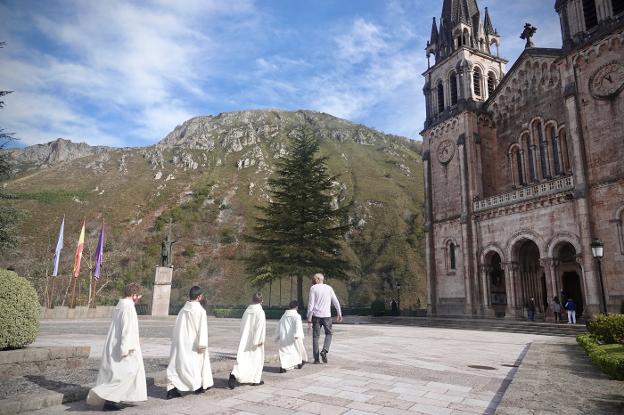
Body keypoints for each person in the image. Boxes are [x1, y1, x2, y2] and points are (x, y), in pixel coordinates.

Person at [86, 283, 147, 412]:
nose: (139, 298)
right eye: (138, 296)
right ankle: (105, 397)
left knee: (118, 374)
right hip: (125, 346)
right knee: (128, 372)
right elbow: (127, 329)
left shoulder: (121, 305)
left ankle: (115, 399)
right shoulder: (128, 307)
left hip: (115, 343)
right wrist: (126, 348)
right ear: (133, 295)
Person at [166, 286, 214, 400]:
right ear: (199, 296)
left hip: (181, 341)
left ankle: (172, 389)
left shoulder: (183, 310)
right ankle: (197, 386)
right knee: (195, 365)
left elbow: (178, 326)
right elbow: (202, 328)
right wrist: (202, 344)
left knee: (179, 365)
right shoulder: (200, 311)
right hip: (194, 342)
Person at [229, 292, 266, 389]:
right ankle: (255, 380)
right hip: (255, 341)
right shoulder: (260, 312)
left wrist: (243, 337)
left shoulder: (247, 311)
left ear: (252, 300)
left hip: (245, 339)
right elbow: (259, 327)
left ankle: (234, 374)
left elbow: (243, 325)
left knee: (244, 360)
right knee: (256, 360)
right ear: (262, 301)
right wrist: (258, 341)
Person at [307, 273, 342, 364]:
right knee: (329, 334)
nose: (312, 280)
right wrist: (339, 313)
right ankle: (324, 350)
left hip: (316, 316)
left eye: (314, 278)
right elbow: (335, 301)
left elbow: (311, 304)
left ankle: (316, 359)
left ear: (319, 279)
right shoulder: (329, 288)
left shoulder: (313, 288)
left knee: (315, 337)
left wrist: (309, 318)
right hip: (327, 316)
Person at [276, 300, 307, 373]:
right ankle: (299, 362)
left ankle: (285, 366)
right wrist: (297, 334)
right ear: (296, 307)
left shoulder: (284, 315)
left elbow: (279, 325)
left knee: (285, 352)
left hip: (284, 336)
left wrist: (278, 335)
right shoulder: (297, 316)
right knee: (298, 349)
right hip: (294, 337)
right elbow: (298, 326)